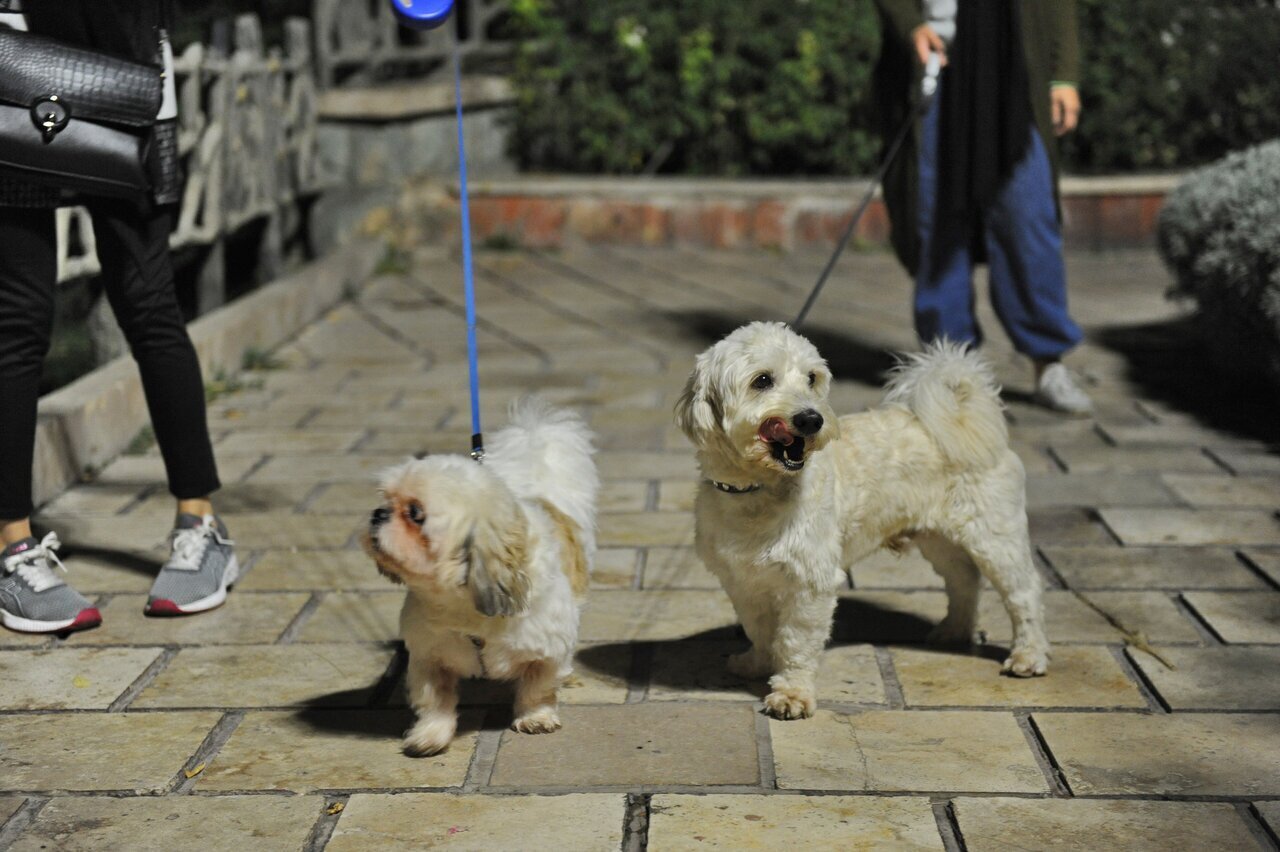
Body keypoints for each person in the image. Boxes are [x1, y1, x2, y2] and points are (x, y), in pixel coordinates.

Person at [0, 0, 237, 633]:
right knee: (18, 318)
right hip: (11, 69)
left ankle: (200, 524)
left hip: (128, 76)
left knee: (148, 302)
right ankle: (13, 547)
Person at [872, 0, 1094, 415]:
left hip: (1015, 74)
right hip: (939, 66)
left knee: (1029, 218)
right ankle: (952, 372)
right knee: (938, 221)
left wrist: (1064, 74)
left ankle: (1048, 361)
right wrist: (911, 27)